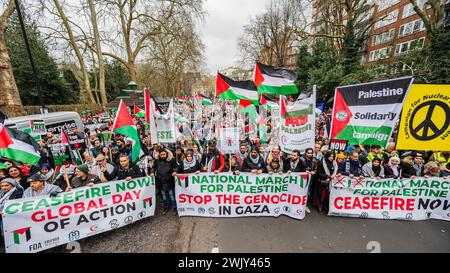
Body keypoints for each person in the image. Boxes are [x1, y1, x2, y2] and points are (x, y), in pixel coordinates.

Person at [151, 150, 177, 216]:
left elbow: (176, 167)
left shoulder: (171, 160)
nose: (162, 156)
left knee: (172, 196)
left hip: (169, 181)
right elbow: (153, 167)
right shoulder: (157, 160)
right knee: (164, 196)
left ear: (167, 154)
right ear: (159, 155)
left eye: (164, 154)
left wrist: (175, 171)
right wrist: (152, 172)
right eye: (161, 154)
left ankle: (175, 207)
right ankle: (166, 207)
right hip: (160, 181)